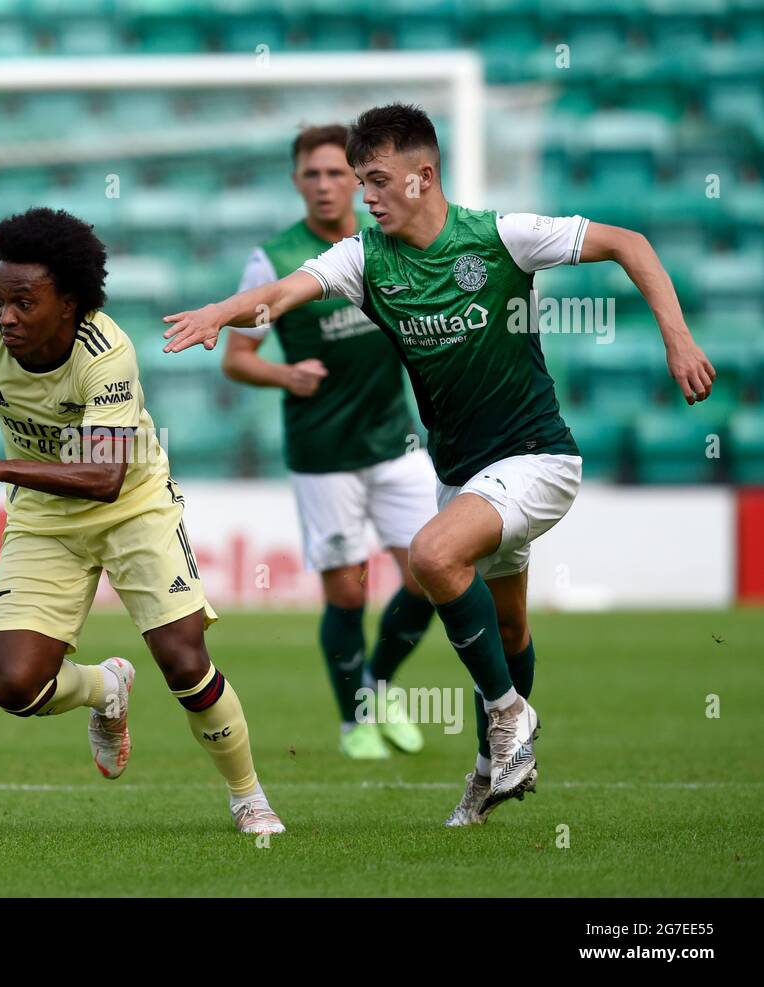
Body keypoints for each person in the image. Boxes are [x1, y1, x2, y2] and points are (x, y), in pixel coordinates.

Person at [162, 104, 715, 825]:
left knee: (428, 554)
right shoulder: (365, 259)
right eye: (364, 182)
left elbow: (630, 243)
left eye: (380, 180)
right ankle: (491, 769)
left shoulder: (501, 236)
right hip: (465, 474)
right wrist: (220, 312)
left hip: (539, 457)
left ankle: (509, 715)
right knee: (510, 631)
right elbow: (279, 294)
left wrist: (676, 339)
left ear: (424, 177)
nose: (369, 196)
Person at [0, 206, 285, 834]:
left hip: (131, 506)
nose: (6, 316)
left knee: (185, 662)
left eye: (24, 302)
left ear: (71, 303)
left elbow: (103, 479)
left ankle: (248, 796)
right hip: (45, 517)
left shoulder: (105, 355)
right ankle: (106, 688)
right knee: (14, 686)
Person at [221, 124, 436, 761]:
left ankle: (376, 686)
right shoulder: (275, 258)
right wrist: (285, 373)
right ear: (296, 182)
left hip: (397, 441)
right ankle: (354, 723)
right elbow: (237, 358)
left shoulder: (388, 241)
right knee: (346, 592)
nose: (324, 185)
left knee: (432, 573)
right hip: (323, 453)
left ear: (358, 177)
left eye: (336, 173)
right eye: (311, 174)